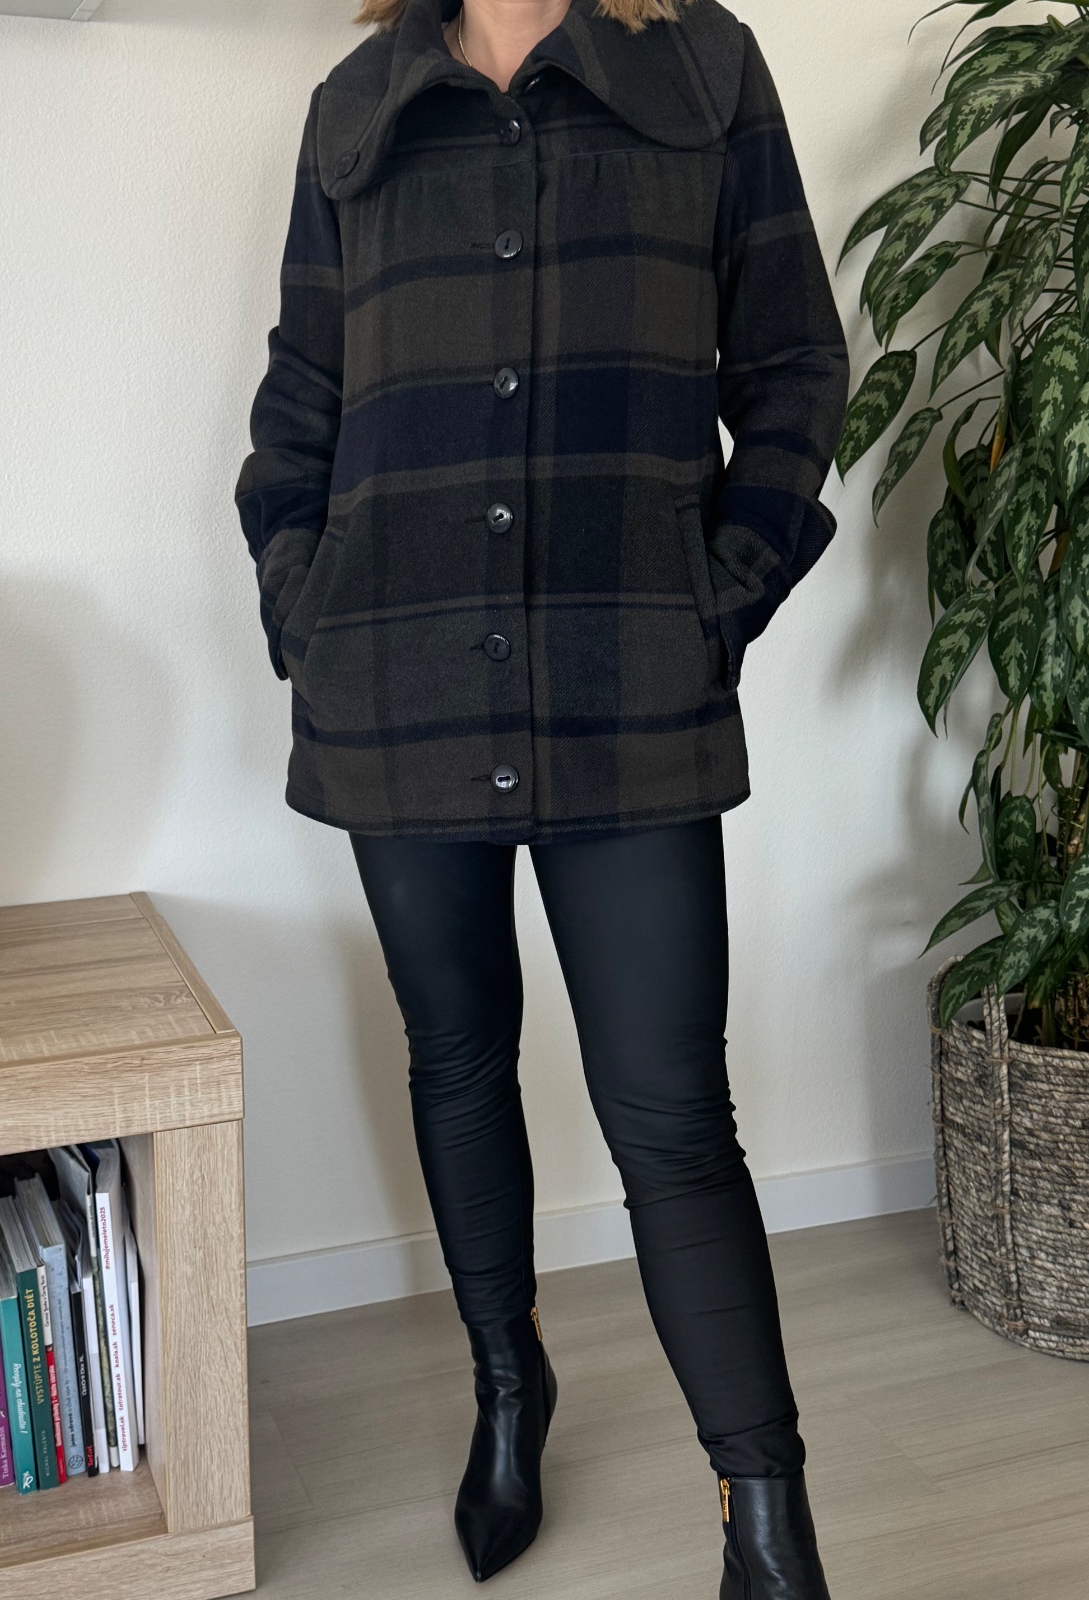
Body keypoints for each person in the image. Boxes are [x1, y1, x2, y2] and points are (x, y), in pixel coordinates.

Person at [235, 0, 849, 1592]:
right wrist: (303, 597)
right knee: (457, 1059)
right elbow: (301, 396)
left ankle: (768, 1523)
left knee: (672, 1113)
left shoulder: (701, 67)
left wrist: (721, 590)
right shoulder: (357, 103)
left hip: (626, 673)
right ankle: (510, 1391)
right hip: (396, 674)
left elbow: (795, 362)